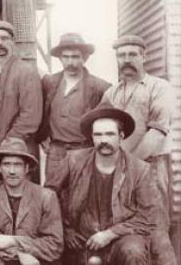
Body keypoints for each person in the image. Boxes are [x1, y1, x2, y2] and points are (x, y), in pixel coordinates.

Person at [101, 34, 177, 265]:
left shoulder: (160, 87)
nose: (127, 60)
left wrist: (125, 164)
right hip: (120, 172)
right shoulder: (112, 93)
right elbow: (99, 128)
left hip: (151, 168)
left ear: (144, 57)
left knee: (157, 232)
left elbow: (157, 132)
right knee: (128, 230)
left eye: (132, 54)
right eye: (121, 55)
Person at [50, 105, 158, 265]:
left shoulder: (140, 169)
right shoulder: (73, 161)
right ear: (92, 137)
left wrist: (110, 233)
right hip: (81, 239)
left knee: (133, 250)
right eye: (98, 135)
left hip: (121, 240)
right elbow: (49, 196)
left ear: (121, 136)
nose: (104, 140)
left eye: (110, 134)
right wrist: (65, 230)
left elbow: (147, 217)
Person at [38, 33, 110, 192]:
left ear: (84, 58)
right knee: (52, 195)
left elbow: (106, 124)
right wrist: (42, 136)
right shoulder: (49, 82)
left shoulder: (100, 87)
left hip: (83, 150)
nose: (70, 62)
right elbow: (39, 109)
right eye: (66, 57)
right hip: (56, 151)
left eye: (75, 57)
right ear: (60, 58)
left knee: (81, 195)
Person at [0, 137, 63, 265]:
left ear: (27, 168)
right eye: (7, 164)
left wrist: (15, 242)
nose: (12, 171)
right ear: (0, 167)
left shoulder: (46, 197)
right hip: (4, 257)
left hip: (36, 259)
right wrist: (19, 253)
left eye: (17, 165)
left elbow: (55, 245)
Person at [0, 20, 43, 178]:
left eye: (4, 38)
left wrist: (4, 145)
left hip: (18, 152)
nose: (0, 43)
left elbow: (30, 117)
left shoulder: (25, 71)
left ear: (13, 42)